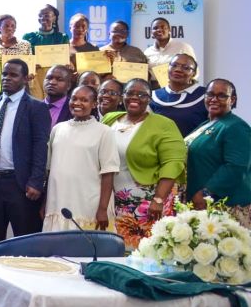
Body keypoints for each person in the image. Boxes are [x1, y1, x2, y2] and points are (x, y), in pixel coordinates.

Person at [0, 59, 52, 246]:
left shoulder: (36, 107)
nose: (6, 78)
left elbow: (40, 146)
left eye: (13, 75)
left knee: (25, 239)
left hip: (19, 184)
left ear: (24, 79)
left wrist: (36, 181)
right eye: (4, 74)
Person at [102, 78, 186, 248]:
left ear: (149, 99)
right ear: (122, 96)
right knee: (117, 250)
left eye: (141, 94)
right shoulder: (110, 119)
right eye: (130, 93)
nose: (135, 97)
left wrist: (159, 199)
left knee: (146, 251)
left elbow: (173, 162)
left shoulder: (164, 124)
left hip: (148, 204)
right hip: (113, 202)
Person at [42, 85, 118, 233]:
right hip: (58, 200)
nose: (77, 103)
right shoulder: (58, 129)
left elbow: (108, 173)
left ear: (94, 104)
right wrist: (45, 202)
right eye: (74, 98)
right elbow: (50, 170)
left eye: (84, 100)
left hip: (88, 202)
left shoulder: (104, 132)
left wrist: (102, 209)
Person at [185, 79, 251, 227]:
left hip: (225, 207)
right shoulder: (208, 124)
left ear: (232, 100)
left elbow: (236, 167)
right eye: (210, 94)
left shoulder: (236, 126)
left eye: (222, 96)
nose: (214, 99)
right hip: (203, 205)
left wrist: (207, 192)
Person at [151, 54, 208, 137]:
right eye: (174, 65)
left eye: (186, 68)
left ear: (194, 73)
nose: (178, 69)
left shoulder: (206, 95)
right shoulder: (154, 96)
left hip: (194, 148)